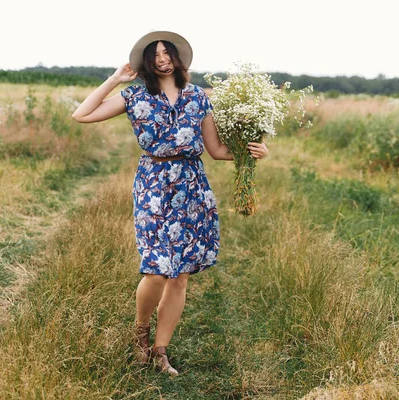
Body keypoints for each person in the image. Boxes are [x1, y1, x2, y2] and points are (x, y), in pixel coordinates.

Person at [71, 30, 268, 375]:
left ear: (177, 58)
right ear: (147, 62)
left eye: (167, 52)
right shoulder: (134, 97)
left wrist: (254, 152)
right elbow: (82, 115)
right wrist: (115, 79)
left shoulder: (198, 97)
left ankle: (161, 350)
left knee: (181, 275)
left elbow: (218, 150)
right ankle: (140, 332)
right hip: (153, 186)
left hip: (193, 186)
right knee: (157, 269)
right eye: (155, 55)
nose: (162, 59)